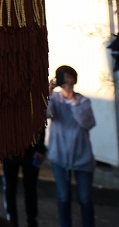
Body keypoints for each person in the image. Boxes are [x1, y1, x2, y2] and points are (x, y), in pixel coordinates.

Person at [47, 65, 96, 227]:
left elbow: (88, 123)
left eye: (70, 77)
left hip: (82, 156)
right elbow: (46, 114)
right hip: (59, 156)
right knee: (63, 196)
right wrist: (48, 91)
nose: (67, 81)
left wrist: (73, 101)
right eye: (64, 78)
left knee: (85, 198)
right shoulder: (54, 99)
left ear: (75, 80)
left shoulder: (83, 101)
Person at [0, 133, 44, 227]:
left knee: (31, 189)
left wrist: (41, 149)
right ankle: (12, 222)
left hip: (31, 149)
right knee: (10, 188)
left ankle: (32, 222)